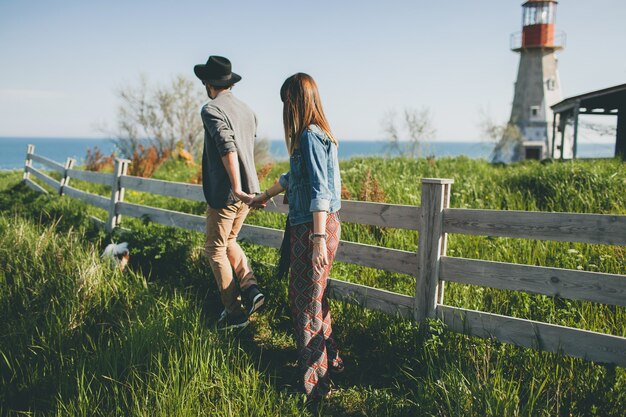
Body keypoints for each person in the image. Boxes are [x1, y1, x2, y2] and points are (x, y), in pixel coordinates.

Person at [252, 73, 343, 400]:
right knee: (315, 299)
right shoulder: (322, 134)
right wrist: (265, 195)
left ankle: (315, 388)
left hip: (313, 226)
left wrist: (317, 238)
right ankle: (331, 363)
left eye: (286, 102)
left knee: (303, 303)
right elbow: (296, 176)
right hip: (317, 224)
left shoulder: (308, 136)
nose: (285, 110)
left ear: (296, 101)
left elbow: (320, 189)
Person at [194, 55, 264, 331]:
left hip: (228, 193)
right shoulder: (248, 111)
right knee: (230, 240)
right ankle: (250, 288)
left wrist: (234, 186)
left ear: (208, 83)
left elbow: (228, 148)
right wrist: (245, 188)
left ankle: (234, 314)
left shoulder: (211, 109)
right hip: (250, 191)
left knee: (214, 250)